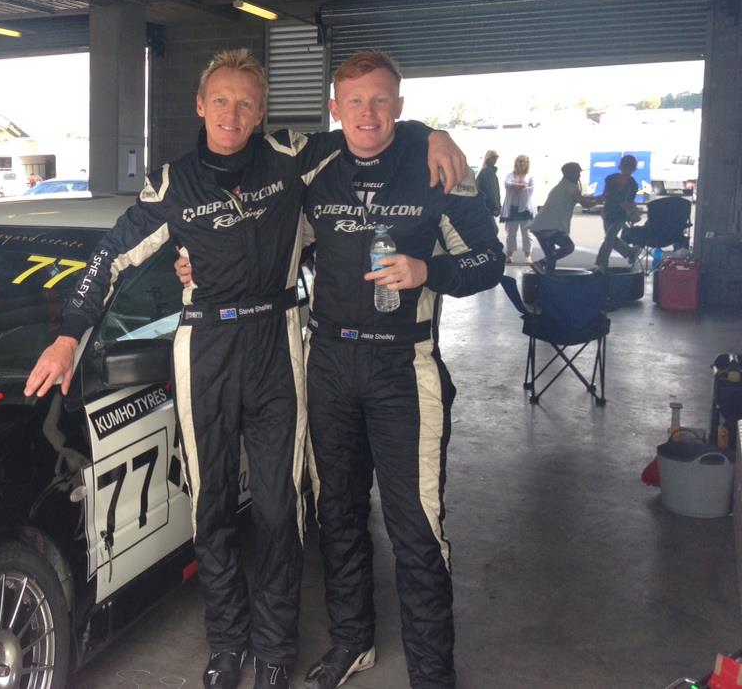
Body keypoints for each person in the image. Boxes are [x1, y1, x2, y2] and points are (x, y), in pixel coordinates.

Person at [24, 49, 467, 689]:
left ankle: (276, 650)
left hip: (278, 339)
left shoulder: (294, 158)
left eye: (247, 104)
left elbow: (370, 130)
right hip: (203, 345)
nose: (233, 114)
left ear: (261, 114)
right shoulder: (173, 182)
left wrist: (434, 132)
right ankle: (227, 645)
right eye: (221, 101)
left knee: (280, 510)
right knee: (212, 509)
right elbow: (112, 255)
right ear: (201, 106)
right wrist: (70, 336)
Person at [178, 51, 500, 689]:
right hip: (326, 362)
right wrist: (193, 262)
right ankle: (353, 642)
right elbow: (249, 214)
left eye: (381, 101)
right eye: (353, 102)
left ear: (400, 106)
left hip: (403, 366)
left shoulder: (437, 166)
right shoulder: (313, 164)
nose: (368, 114)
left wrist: (429, 270)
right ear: (333, 109)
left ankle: (434, 675)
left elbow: (490, 260)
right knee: (337, 514)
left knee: (416, 526)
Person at [529, 162, 594, 274]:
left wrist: (596, 199)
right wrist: (601, 199)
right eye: (577, 173)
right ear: (571, 173)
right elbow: (585, 204)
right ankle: (540, 264)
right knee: (568, 247)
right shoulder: (570, 186)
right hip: (550, 227)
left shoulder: (562, 185)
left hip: (540, 226)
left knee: (552, 257)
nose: (579, 176)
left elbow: (581, 199)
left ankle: (546, 282)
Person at [594, 153, 643, 271]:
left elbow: (629, 200)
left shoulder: (633, 185)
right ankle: (631, 252)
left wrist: (629, 208)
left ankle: (602, 265)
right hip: (608, 212)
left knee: (609, 238)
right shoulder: (610, 179)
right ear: (620, 167)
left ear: (634, 169)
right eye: (626, 167)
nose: (628, 171)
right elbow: (608, 194)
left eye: (631, 168)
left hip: (621, 214)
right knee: (610, 238)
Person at [501, 154, 534, 264]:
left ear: (527, 163)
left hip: (525, 209)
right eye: (519, 161)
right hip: (512, 208)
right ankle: (509, 255)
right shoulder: (510, 175)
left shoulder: (530, 176)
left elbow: (531, 189)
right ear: (516, 163)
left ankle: (528, 256)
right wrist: (520, 186)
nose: (521, 163)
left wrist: (518, 186)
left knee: (527, 234)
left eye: (523, 161)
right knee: (511, 234)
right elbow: (507, 184)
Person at [476, 149, 501, 218]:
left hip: (484, 207)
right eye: (493, 157)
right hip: (487, 207)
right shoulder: (487, 171)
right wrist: (495, 207)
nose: (495, 159)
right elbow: (491, 191)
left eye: (496, 157)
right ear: (488, 158)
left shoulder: (486, 170)